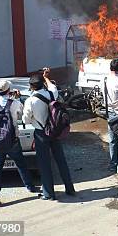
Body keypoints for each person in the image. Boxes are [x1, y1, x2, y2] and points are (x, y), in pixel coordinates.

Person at [22, 70, 75, 200]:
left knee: (44, 164)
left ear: (32, 86)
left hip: (41, 133)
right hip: (55, 131)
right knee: (61, 161)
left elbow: (26, 120)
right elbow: (52, 86)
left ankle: (49, 194)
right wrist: (46, 77)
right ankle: (69, 188)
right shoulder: (52, 93)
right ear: (42, 84)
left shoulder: (30, 101)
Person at [0, 80, 36, 205]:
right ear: (9, 91)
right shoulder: (15, 103)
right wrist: (17, 99)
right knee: (21, 163)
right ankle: (30, 186)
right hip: (13, 140)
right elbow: (21, 115)